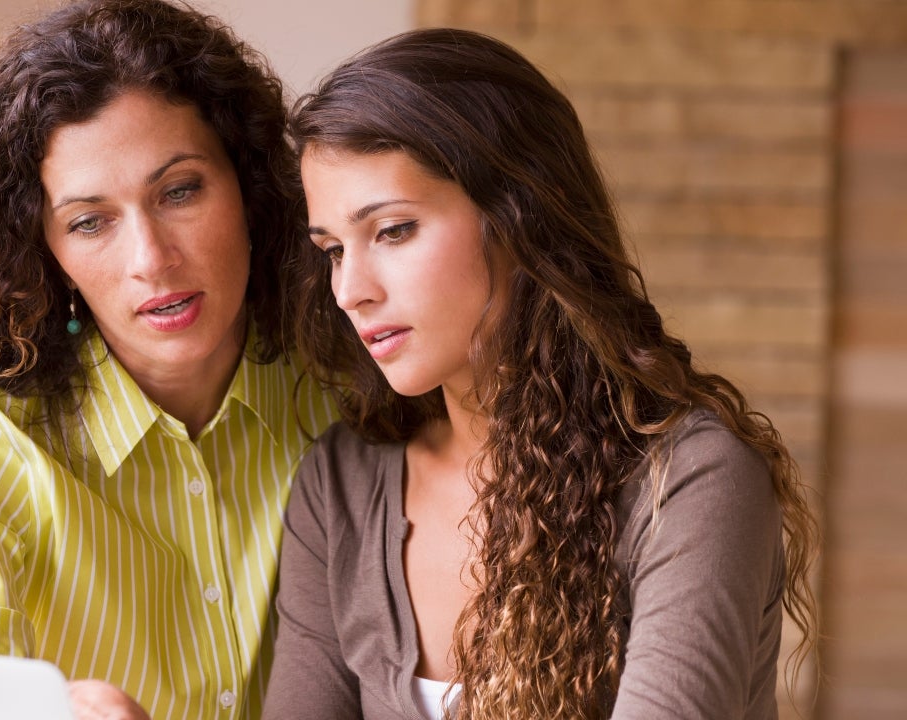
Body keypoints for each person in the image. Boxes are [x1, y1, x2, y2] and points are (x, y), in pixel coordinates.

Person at [264, 28, 819, 720]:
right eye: (333, 250)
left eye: (394, 230)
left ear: (520, 218)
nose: (351, 290)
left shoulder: (689, 480)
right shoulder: (342, 487)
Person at [0, 2, 335, 718]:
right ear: (41, 251)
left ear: (252, 184)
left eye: (180, 191)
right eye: (89, 222)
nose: (151, 259)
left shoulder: (344, 380)